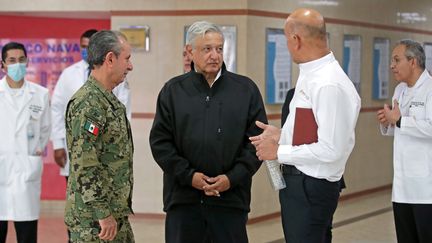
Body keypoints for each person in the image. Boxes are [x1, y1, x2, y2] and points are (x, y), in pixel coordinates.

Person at [149, 20, 267, 243]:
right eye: (207, 49)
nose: (214, 55)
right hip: (184, 202)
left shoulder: (245, 90)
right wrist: (189, 176)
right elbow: (160, 143)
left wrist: (231, 178)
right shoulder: (173, 91)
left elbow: (256, 142)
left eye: (219, 49)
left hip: (230, 201)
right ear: (189, 52)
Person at [250, 8, 360, 242]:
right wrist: (282, 135)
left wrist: (279, 151)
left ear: (295, 40)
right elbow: (314, 129)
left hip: (311, 187)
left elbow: (331, 149)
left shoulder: (328, 83)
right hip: (300, 184)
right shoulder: (311, 74)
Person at [64, 30, 134, 242]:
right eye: (127, 59)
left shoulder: (107, 100)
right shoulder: (89, 104)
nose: (130, 66)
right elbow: (84, 163)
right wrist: (102, 213)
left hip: (115, 213)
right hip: (95, 222)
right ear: (110, 59)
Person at [51, 29, 131, 181]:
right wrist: (57, 144)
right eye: (82, 47)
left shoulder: (118, 76)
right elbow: (57, 108)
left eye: (88, 47)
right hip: (77, 153)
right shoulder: (69, 74)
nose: (85, 51)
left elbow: (124, 113)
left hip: (109, 153)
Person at [377, 39, 432, 243]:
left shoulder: (430, 89)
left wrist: (399, 120)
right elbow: (399, 129)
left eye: (396, 60)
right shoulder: (399, 90)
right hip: (402, 188)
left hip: (427, 190)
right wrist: (388, 122)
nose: (391, 66)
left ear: (413, 62)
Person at [0, 42, 51, 243]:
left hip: (26, 171)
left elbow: (45, 129)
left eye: (21, 60)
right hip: (2, 168)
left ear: (28, 62)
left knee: (27, 233)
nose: (17, 64)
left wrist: (34, 151)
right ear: (2, 64)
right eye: (12, 60)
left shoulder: (40, 94)